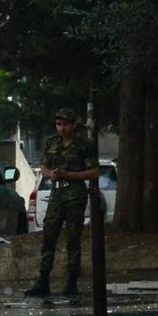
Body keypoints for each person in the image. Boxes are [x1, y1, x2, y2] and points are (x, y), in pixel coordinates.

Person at [25, 107, 100, 297]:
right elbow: (43, 166)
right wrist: (51, 174)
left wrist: (71, 175)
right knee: (49, 236)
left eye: (65, 124)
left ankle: (72, 282)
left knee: (73, 238)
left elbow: (94, 172)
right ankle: (43, 281)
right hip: (56, 193)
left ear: (73, 125)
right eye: (58, 124)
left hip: (75, 193)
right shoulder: (52, 142)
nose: (61, 128)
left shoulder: (83, 144)